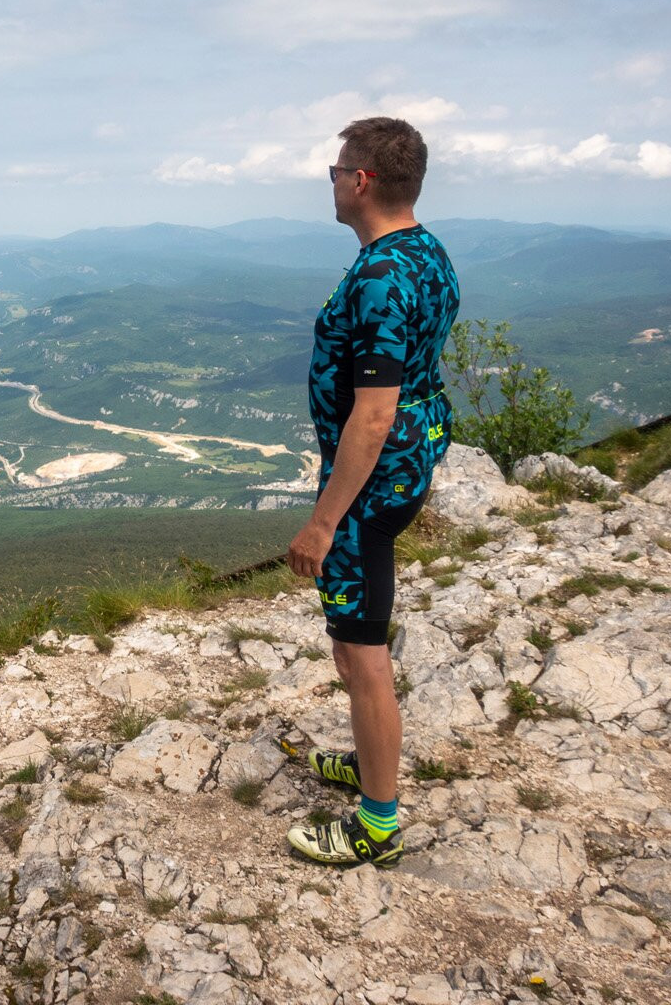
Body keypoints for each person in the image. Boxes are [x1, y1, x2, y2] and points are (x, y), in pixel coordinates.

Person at [283, 116, 459, 867]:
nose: (329, 180)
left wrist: (324, 523)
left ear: (360, 181)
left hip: (368, 486)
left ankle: (377, 825)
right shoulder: (425, 253)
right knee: (354, 633)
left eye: (335, 170)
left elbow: (374, 413)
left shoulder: (384, 277)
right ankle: (370, 758)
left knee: (362, 653)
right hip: (408, 463)